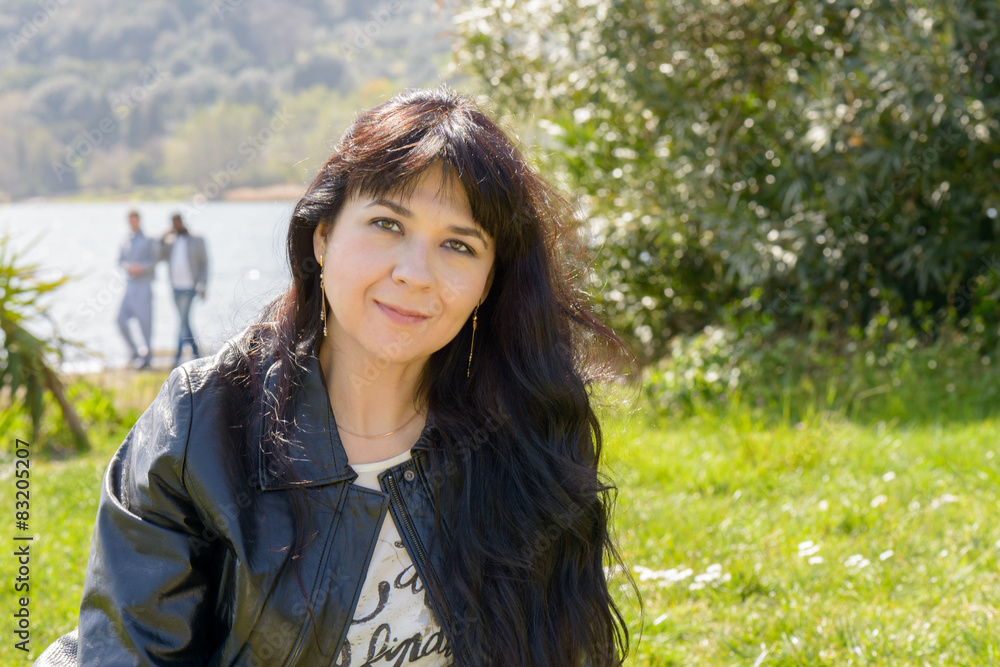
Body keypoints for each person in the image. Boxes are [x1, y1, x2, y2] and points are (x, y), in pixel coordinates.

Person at [34, 88, 633, 667]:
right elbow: (132, 649)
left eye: (458, 244)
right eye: (387, 225)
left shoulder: (525, 426)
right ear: (323, 235)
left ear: (488, 283)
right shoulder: (202, 422)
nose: (415, 273)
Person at [159, 212, 209, 366]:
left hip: (189, 286)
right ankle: (197, 355)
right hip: (175, 286)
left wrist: (203, 284)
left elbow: (204, 263)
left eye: (178, 221)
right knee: (184, 321)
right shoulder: (170, 242)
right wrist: (163, 237)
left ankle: (178, 356)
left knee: (182, 321)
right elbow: (159, 256)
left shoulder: (197, 239)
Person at [116, 209, 157, 369]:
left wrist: (141, 267)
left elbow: (154, 260)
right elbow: (120, 260)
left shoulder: (149, 239)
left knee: (145, 322)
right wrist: (127, 266)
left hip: (144, 285)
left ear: (139, 220)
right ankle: (134, 351)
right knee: (120, 319)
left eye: (135, 219)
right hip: (129, 285)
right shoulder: (126, 240)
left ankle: (147, 357)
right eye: (130, 220)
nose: (132, 223)